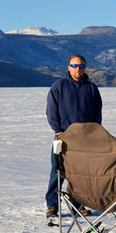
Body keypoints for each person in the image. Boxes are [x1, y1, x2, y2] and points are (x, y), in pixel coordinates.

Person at [45, 54, 102, 218]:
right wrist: (58, 131)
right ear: (69, 67)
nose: (78, 69)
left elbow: (97, 113)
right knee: (58, 171)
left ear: (85, 68)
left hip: (85, 139)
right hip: (63, 138)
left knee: (81, 173)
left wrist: (95, 132)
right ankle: (52, 205)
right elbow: (51, 111)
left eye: (81, 66)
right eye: (75, 66)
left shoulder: (91, 88)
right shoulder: (59, 86)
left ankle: (78, 205)